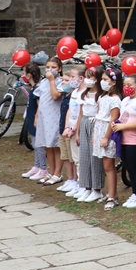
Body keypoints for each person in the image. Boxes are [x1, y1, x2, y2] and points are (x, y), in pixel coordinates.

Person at [113, 74, 136, 209]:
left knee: (135, 167)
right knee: (128, 166)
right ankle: (135, 193)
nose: (126, 87)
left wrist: (124, 126)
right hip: (124, 139)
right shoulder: (125, 100)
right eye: (125, 85)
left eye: (130, 85)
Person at [92, 68, 122, 208]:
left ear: (114, 82)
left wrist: (106, 137)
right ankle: (110, 193)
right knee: (104, 165)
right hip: (98, 130)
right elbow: (98, 115)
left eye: (105, 80)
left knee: (109, 166)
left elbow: (113, 119)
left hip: (107, 132)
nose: (102, 82)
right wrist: (94, 135)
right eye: (102, 79)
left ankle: (112, 196)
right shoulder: (102, 97)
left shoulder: (115, 100)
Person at [72, 67, 101, 202]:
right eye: (87, 77)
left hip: (94, 124)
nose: (89, 80)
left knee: (94, 158)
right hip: (84, 123)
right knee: (84, 157)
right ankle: (86, 187)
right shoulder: (83, 94)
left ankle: (97, 189)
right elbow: (81, 114)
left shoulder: (100, 96)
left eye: (92, 77)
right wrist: (77, 132)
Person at [33, 56, 64, 185]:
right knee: (47, 145)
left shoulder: (60, 82)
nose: (50, 70)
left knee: (55, 145)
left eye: (54, 67)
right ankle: (50, 171)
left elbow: (55, 96)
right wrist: (37, 115)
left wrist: (52, 81)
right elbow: (40, 100)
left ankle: (58, 173)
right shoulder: (43, 82)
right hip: (43, 117)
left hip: (54, 117)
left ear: (60, 69)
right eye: (48, 67)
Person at [57, 66, 83, 195]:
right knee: (73, 157)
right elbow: (69, 112)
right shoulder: (74, 93)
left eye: (72, 77)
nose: (71, 80)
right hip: (68, 128)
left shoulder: (81, 94)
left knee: (78, 158)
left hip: (76, 130)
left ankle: (81, 183)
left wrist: (74, 130)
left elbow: (80, 114)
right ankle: (75, 181)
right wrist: (67, 127)